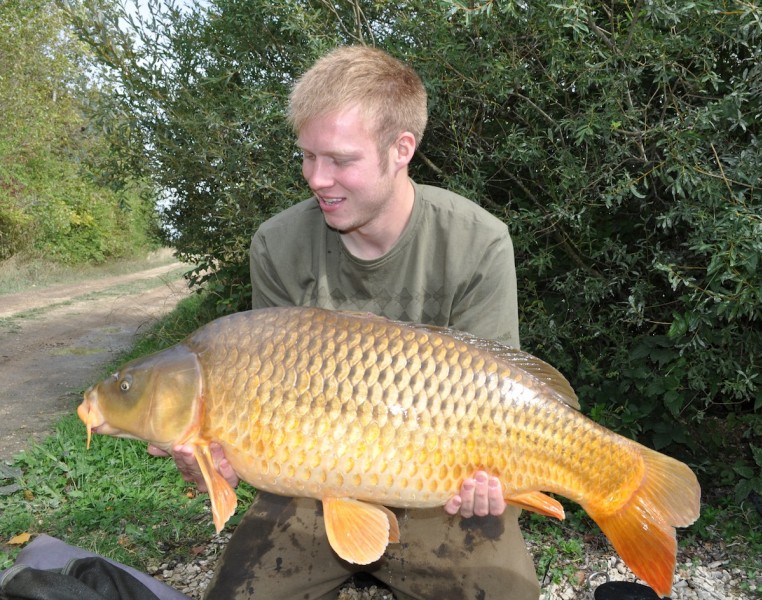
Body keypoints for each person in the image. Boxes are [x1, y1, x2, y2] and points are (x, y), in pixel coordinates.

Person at [152, 45, 552, 600]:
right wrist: (220, 458)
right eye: (307, 157)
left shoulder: (476, 241)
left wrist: (492, 480)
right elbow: (260, 403)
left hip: (439, 497)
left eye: (339, 160)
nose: (317, 178)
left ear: (400, 150)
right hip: (309, 497)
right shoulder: (278, 244)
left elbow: (497, 402)